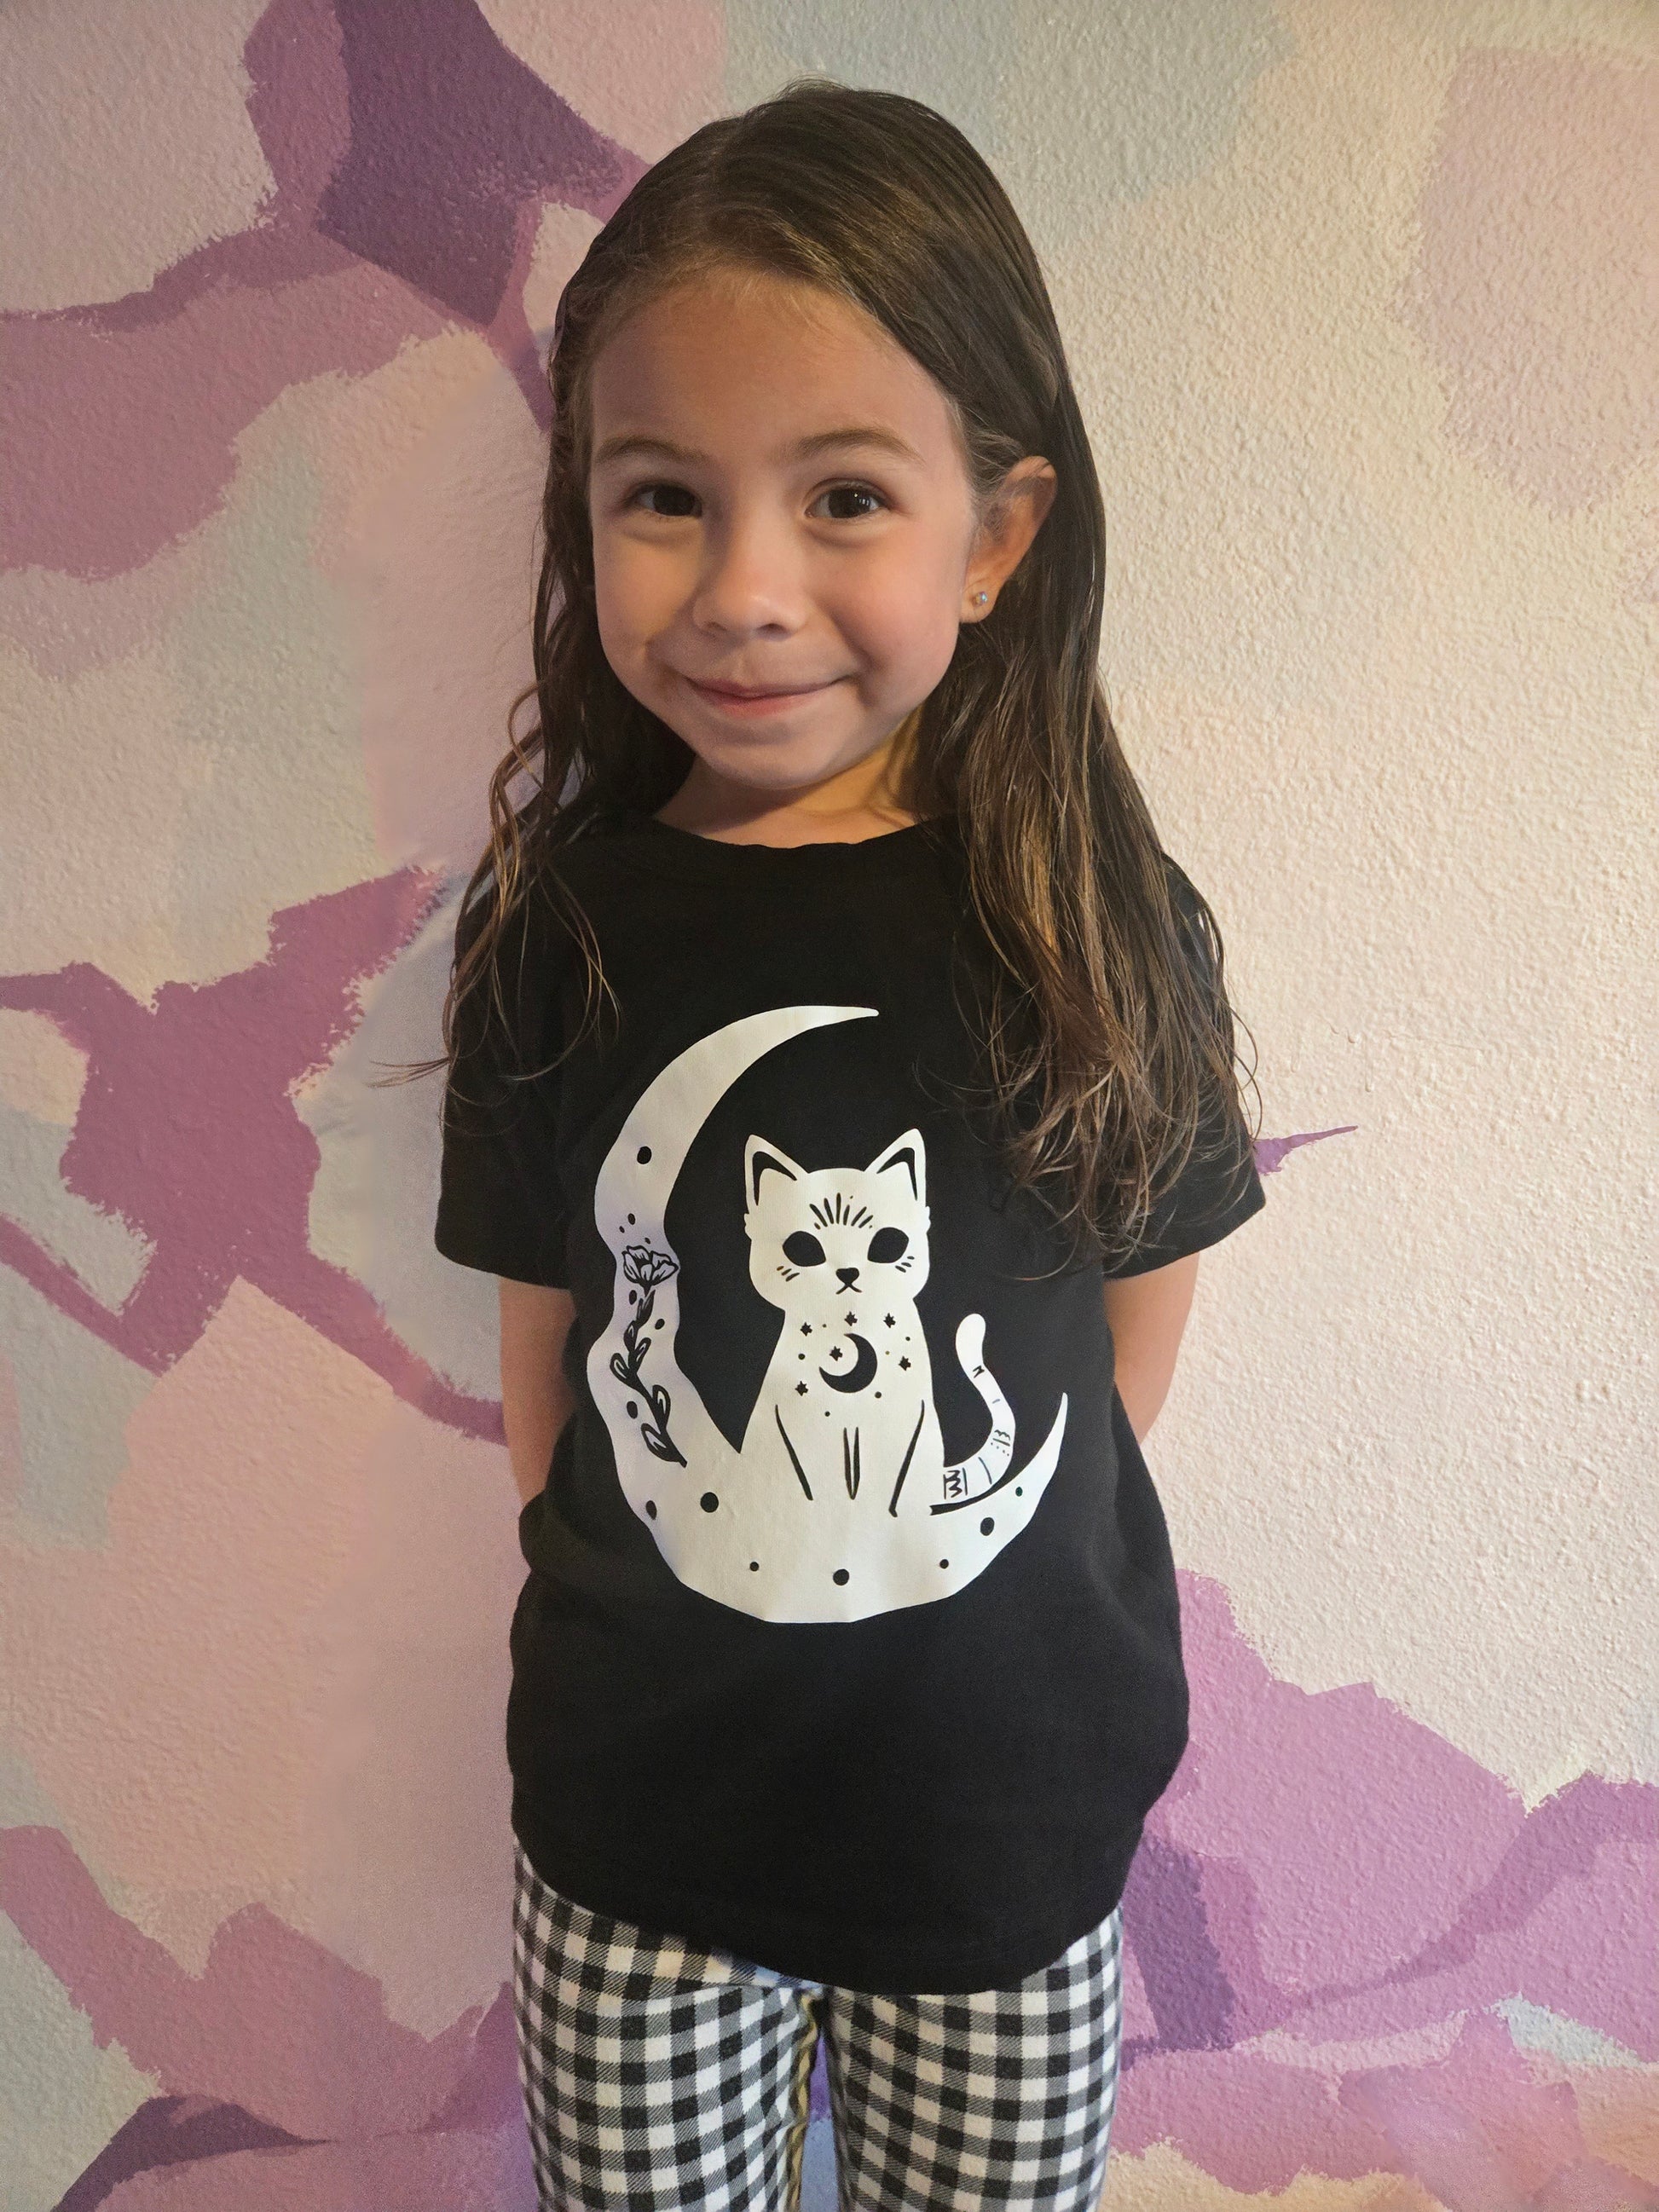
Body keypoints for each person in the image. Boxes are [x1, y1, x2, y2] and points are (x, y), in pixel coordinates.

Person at [430, 77, 1266, 2212]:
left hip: (1004, 1832)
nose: (743, 588)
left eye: (844, 497)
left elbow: (1124, 1335)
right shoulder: (557, 923)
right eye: (662, 496)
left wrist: (914, 1539)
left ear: (994, 534)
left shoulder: (1094, 916)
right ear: (581, 510)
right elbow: (557, 1368)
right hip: (639, 1841)